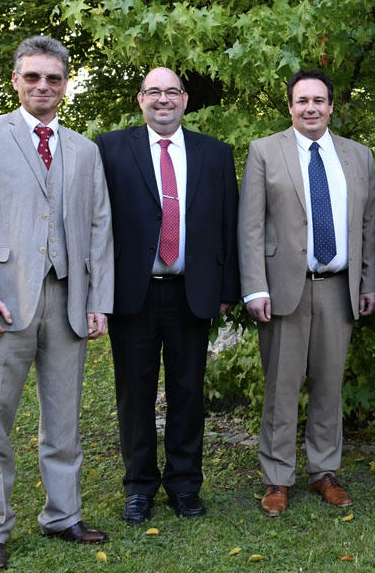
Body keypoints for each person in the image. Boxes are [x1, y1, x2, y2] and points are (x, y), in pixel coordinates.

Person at [0, 35, 113, 570]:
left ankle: (62, 515)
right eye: (33, 77)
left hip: (67, 303)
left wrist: (98, 301)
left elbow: (98, 229)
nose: (43, 86)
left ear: (65, 86)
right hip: (6, 302)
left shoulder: (85, 150)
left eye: (53, 78)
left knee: (62, 421)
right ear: (17, 81)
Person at [95, 67, 240, 523]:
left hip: (191, 293)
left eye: (171, 92)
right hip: (132, 294)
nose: (163, 100)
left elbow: (227, 226)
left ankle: (184, 485)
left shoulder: (215, 154)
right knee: (133, 395)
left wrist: (227, 289)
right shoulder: (109, 149)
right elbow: (96, 222)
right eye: (154, 92)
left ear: (185, 99)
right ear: (140, 99)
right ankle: (139, 487)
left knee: (187, 392)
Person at [238, 69, 375, 516]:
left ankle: (324, 472)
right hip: (283, 289)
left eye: (319, 100)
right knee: (281, 388)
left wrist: (369, 282)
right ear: (290, 106)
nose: (311, 108)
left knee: (329, 386)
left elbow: (369, 227)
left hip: (339, 289)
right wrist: (254, 288)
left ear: (332, 106)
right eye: (302, 101)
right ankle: (277, 478)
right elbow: (251, 227)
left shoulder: (358, 157)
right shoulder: (265, 152)